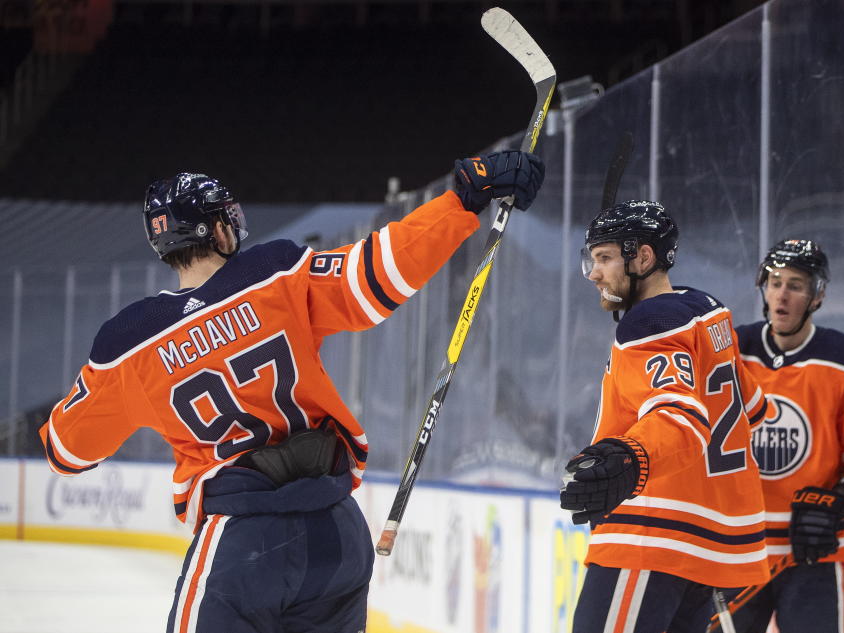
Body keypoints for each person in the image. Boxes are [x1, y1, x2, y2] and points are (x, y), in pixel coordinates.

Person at [38, 150, 544, 633]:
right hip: (336, 531)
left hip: (242, 541)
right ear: (216, 229)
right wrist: (461, 198)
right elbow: (378, 274)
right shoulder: (276, 272)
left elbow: (66, 451)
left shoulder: (129, 341)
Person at [559, 200, 771, 633]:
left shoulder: (648, 323)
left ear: (643, 257)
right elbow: (755, 407)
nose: (594, 274)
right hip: (703, 551)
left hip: (649, 534)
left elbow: (679, 416)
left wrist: (630, 457)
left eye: (604, 258)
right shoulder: (707, 310)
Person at [729, 239, 844, 633]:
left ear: (817, 295)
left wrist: (838, 502)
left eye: (795, 284)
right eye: (774, 282)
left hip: (814, 553)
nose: (782, 295)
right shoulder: (730, 352)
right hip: (736, 550)